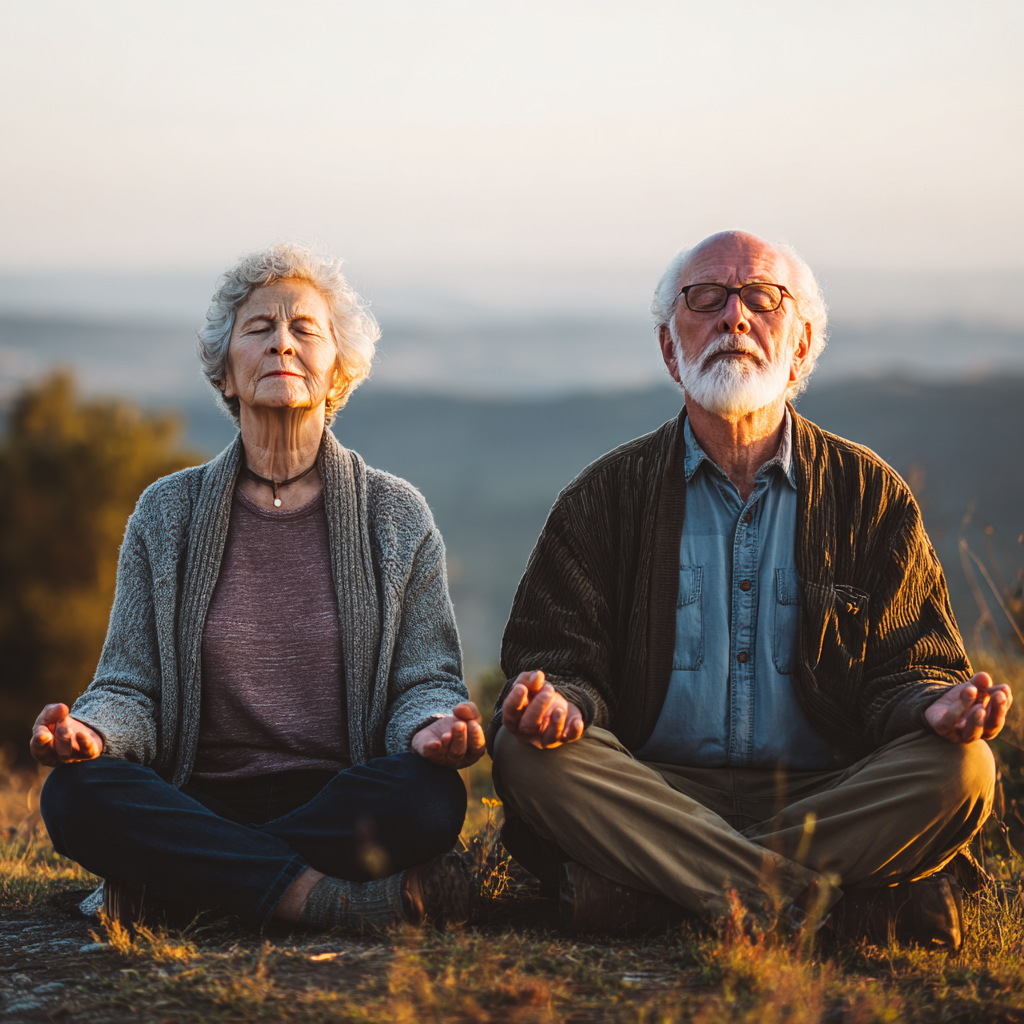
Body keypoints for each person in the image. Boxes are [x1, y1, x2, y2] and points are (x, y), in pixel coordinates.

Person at [487, 230, 1010, 949]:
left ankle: (679, 893)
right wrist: (557, 704)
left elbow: (910, 669)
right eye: (705, 298)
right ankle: (817, 906)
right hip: (654, 794)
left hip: (828, 793)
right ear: (672, 350)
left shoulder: (869, 495)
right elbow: (558, 660)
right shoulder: (604, 497)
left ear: (799, 349)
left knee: (964, 765)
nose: (734, 317)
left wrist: (936, 704)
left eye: (762, 299)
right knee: (524, 754)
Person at [34, 243, 486, 931]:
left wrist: (430, 729)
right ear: (226, 372)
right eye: (259, 328)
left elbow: (424, 680)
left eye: (304, 328)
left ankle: (184, 886)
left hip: (340, 799)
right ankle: (319, 897)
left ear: (338, 370)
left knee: (429, 798)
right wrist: (92, 733)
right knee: (74, 795)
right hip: (194, 800)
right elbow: (129, 687)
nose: (281, 342)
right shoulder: (167, 513)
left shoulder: (396, 516)